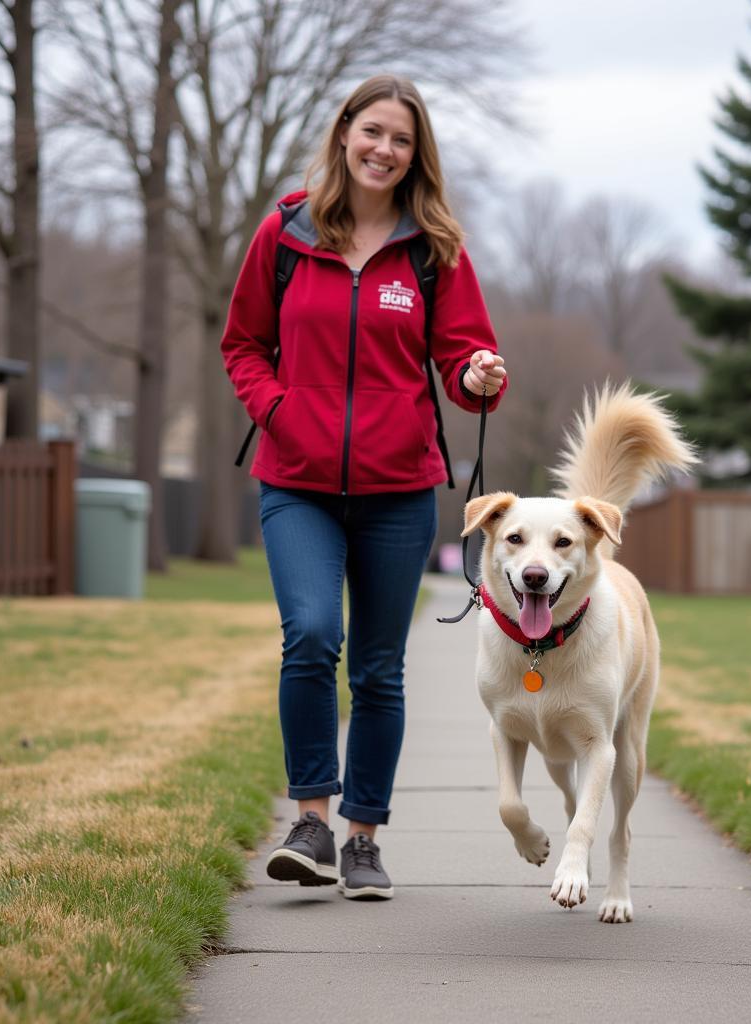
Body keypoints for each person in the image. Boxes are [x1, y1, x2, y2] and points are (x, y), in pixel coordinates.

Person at [221, 74, 507, 900]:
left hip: (397, 488)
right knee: (311, 635)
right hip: (297, 481)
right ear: (345, 132)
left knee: (379, 669)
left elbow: (462, 358)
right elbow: (242, 342)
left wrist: (480, 372)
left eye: (402, 140)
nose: (384, 149)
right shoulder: (286, 230)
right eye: (372, 131)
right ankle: (311, 819)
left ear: (418, 156)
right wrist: (277, 409)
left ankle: (363, 839)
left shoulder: (432, 248)